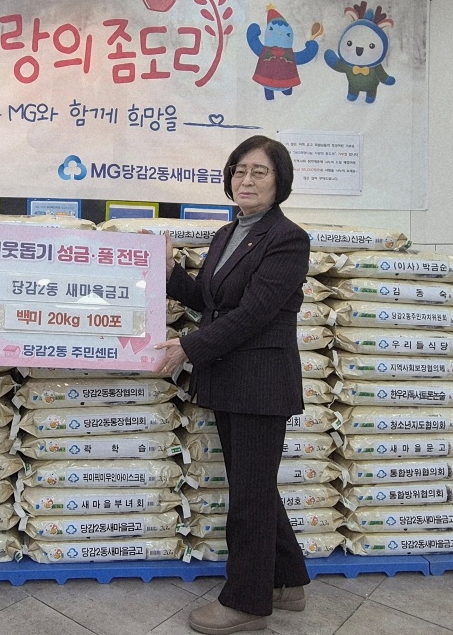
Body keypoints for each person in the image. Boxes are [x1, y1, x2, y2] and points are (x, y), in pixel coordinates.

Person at [155, 135, 311, 634]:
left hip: (262, 384)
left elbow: (255, 313)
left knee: (249, 496)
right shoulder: (227, 233)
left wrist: (188, 347)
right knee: (255, 487)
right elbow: (210, 300)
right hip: (230, 379)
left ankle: (247, 603)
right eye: (239, 170)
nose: (246, 179)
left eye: (259, 171)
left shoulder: (288, 238)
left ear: (280, 181)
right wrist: (169, 271)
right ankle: (287, 582)